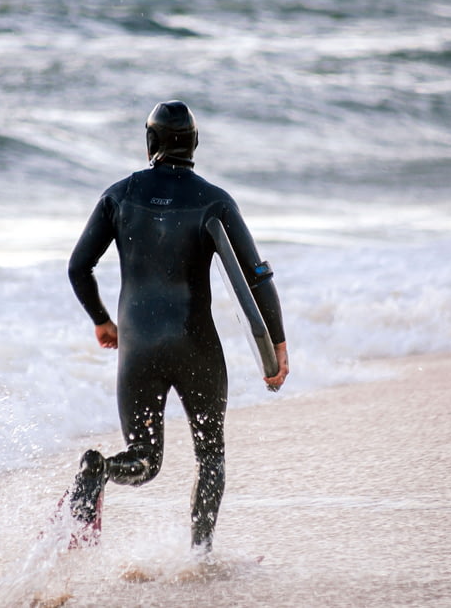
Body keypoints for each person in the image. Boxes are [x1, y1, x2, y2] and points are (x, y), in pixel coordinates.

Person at [66, 100, 289, 552]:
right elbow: (256, 275)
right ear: (195, 144)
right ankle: (199, 556)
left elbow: (78, 268)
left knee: (145, 460)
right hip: (195, 347)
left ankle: (101, 470)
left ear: (150, 143)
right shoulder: (214, 200)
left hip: (139, 348)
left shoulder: (119, 195)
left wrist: (103, 321)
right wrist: (277, 345)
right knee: (210, 457)